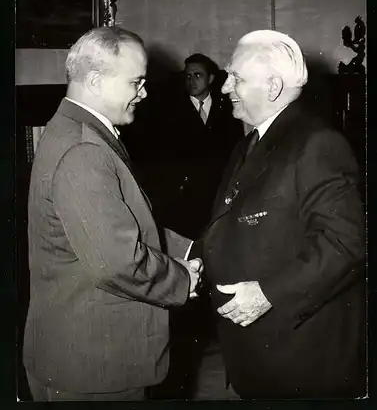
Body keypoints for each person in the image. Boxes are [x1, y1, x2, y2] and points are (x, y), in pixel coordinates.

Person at [23, 26, 202, 401]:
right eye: (136, 82)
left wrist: (188, 250)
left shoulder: (75, 130)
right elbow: (117, 262)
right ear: (94, 80)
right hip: (93, 366)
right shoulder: (84, 150)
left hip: (83, 353)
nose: (145, 92)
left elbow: (118, 222)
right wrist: (181, 278)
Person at [189, 30, 366, 398]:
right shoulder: (251, 141)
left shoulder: (317, 144)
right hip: (260, 349)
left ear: (272, 87)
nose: (224, 89)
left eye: (236, 78)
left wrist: (268, 294)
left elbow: (346, 244)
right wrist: (195, 258)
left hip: (300, 354)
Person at [151, 53, 243, 239]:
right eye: (188, 76)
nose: (192, 81)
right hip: (184, 199)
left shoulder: (228, 109)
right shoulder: (169, 111)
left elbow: (235, 150)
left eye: (198, 75)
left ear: (211, 78)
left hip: (217, 195)